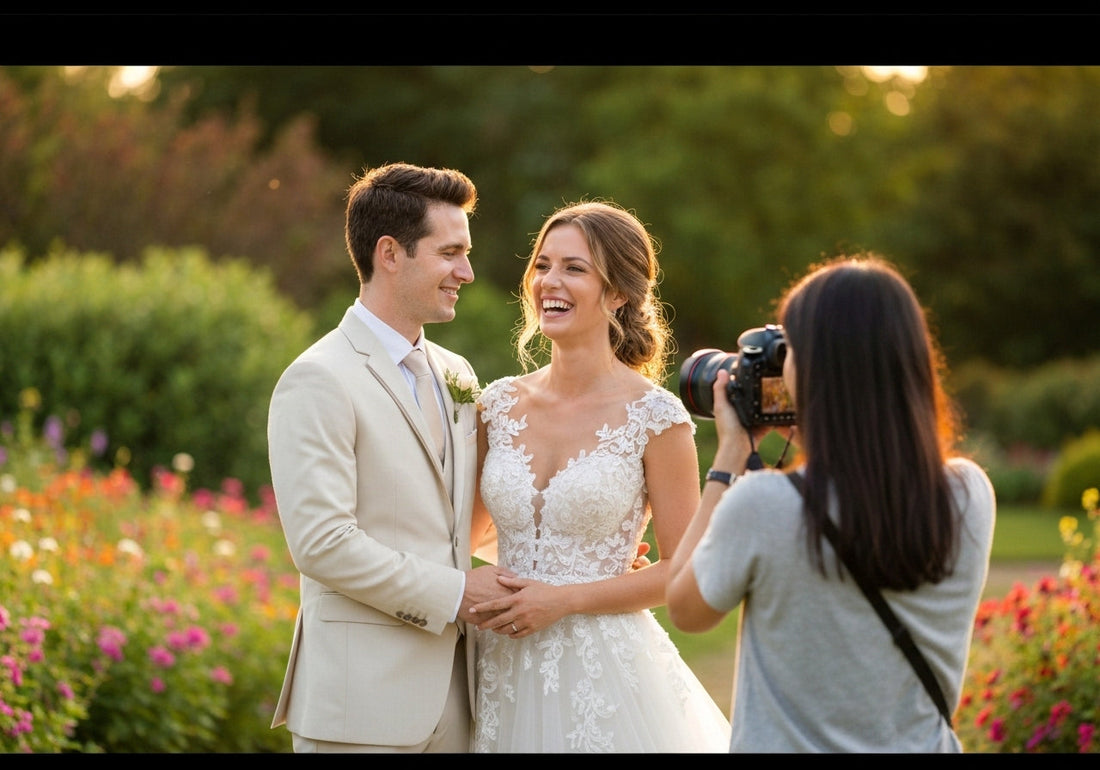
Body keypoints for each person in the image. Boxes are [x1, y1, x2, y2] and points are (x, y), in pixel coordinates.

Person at [666, 254, 996, 752]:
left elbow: (685, 608)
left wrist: (729, 456)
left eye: (791, 349)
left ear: (818, 369)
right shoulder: (969, 495)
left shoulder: (764, 505)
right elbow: (865, 485)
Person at [267, 162, 517, 753]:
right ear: (390, 253)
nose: (468, 271)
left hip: (460, 701)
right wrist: (456, 594)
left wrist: (579, 563)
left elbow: (462, 523)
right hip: (359, 706)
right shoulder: (317, 379)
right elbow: (322, 543)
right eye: (451, 253)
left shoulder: (456, 374)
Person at [466, 200, 732, 752]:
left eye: (574, 268)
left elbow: (681, 572)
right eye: (542, 265)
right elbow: (469, 540)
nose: (549, 281)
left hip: (604, 676)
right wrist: (547, 576)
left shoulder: (657, 418)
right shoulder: (496, 405)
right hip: (499, 666)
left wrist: (569, 595)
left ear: (618, 293)